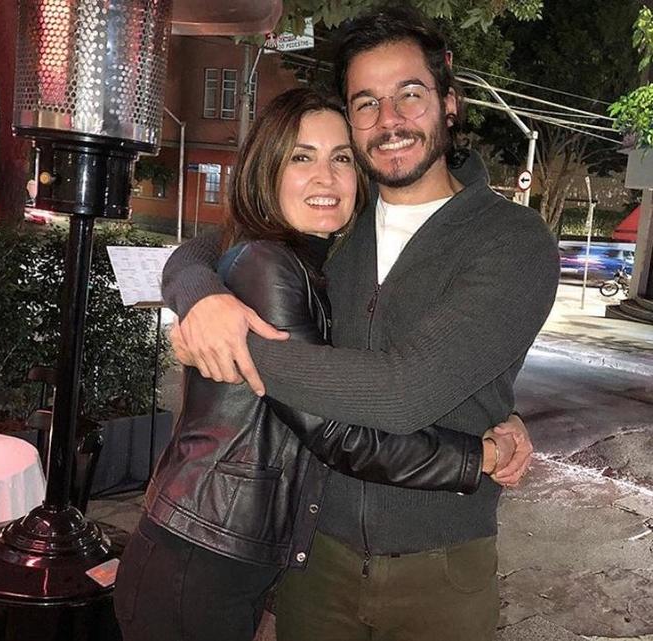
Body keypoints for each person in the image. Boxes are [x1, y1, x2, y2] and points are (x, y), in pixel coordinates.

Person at [163, 8, 560, 640]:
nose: (389, 119)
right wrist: (200, 298)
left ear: (449, 103)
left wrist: (234, 347)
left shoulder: (511, 241)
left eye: (410, 94)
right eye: (366, 103)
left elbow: (405, 392)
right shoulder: (339, 214)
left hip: (440, 569)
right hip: (314, 556)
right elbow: (210, 247)